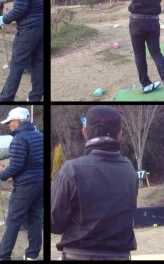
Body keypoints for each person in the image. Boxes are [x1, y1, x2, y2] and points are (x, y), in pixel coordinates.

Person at [51, 106, 138, 260]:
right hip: (120, 256)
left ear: (85, 132)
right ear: (119, 134)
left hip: (78, 255)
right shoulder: (130, 170)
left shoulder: (71, 170)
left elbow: (54, 223)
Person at [0, 107, 43, 261]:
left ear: (17, 121)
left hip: (25, 184)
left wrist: (0, 176)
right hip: (40, 183)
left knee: (14, 219)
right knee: (34, 217)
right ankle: (32, 254)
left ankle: (2, 255)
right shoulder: (39, 135)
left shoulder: (19, 139)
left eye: (10, 122)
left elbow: (16, 166)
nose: (8, 125)